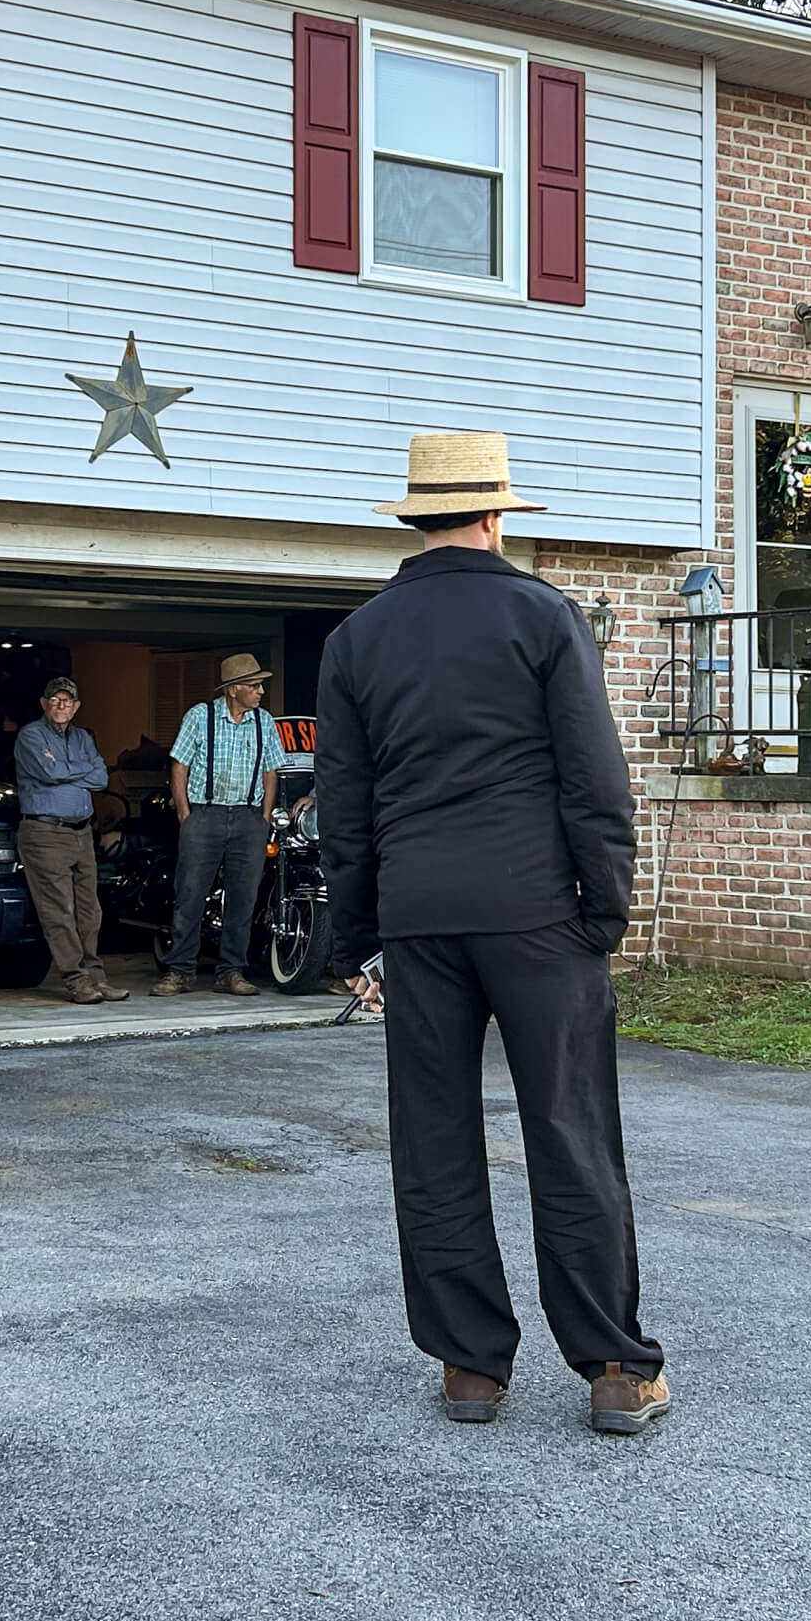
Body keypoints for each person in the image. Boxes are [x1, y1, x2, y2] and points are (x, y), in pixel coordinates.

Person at [317, 430, 665, 1436]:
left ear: (416, 518)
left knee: (432, 1141)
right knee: (569, 1130)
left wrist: (354, 944)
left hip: (419, 913)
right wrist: (602, 908)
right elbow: (592, 782)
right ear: (495, 515)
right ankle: (611, 1369)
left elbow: (346, 811)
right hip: (534, 912)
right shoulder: (541, 614)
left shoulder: (356, 640)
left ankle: (470, 1367)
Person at [154, 653, 288, 998]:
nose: (260, 692)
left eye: (261, 686)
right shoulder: (201, 717)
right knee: (190, 896)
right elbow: (179, 766)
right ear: (233, 689)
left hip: (248, 818)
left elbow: (271, 771)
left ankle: (231, 971)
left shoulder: (264, 721)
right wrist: (186, 814)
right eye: (254, 686)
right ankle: (180, 970)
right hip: (205, 814)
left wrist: (264, 815)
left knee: (243, 900)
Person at [14, 676, 118, 1004]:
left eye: (67, 701)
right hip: (45, 832)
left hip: (82, 831)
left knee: (90, 909)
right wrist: (78, 771)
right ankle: (76, 978)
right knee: (59, 909)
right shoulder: (31, 734)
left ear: (76, 707)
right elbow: (49, 773)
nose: (61, 706)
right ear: (45, 703)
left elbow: (101, 777)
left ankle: (95, 975)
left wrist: (67, 769)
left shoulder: (83, 736)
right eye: (55, 700)